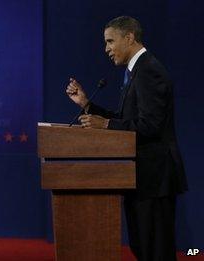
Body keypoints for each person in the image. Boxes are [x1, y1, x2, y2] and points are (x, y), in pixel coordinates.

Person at [66, 16, 187, 261]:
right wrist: (88, 106)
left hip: (154, 178)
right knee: (143, 248)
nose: (106, 49)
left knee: (156, 251)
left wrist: (107, 125)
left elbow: (150, 126)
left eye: (110, 41)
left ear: (129, 37)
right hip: (141, 178)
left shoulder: (149, 70)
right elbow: (126, 118)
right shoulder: (137, 71)